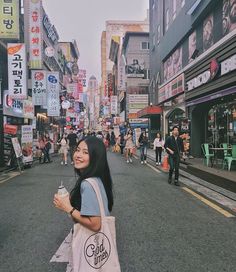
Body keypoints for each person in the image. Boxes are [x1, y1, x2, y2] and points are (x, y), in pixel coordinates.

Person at [53, 136, 113, 234]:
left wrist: (67, 207)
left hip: (91, 244)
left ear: (96, 158)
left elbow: (95, 225)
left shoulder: (87, 184)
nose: (78, 155)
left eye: (85, 152)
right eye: (77, 150)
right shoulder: (98, 178)